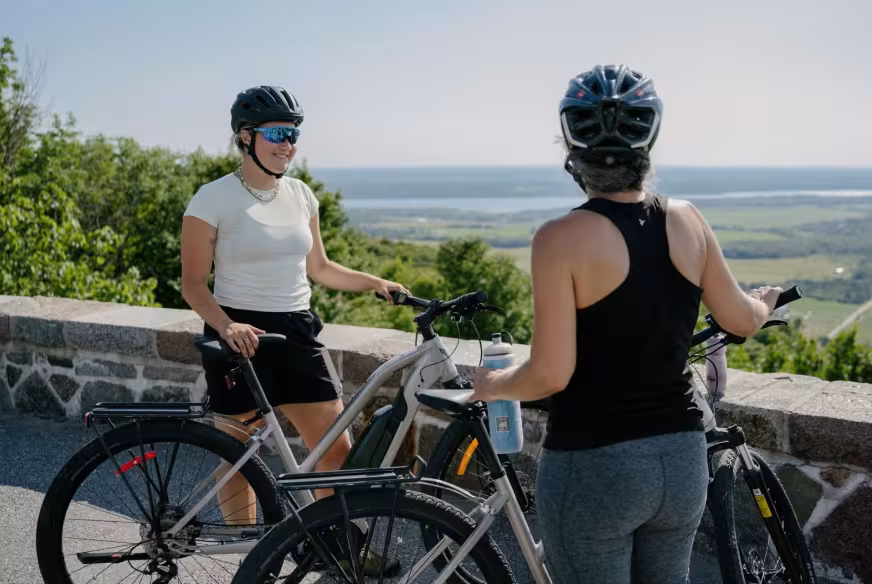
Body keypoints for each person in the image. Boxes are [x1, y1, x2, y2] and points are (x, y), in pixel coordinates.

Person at [470, 65, 782, 584]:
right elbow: (741, 320)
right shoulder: (687, 218)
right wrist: (763, 303)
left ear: (573, 148)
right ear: (648, 142)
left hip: (595, 465)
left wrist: (492, 384)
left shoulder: (560, 238)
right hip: (680, 462)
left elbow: (550, 374)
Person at [181, 85, 409, 528]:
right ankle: (249, 553)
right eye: (277, 133)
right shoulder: (211, 198)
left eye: (293, 135)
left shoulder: (302, 195)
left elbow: (320, 268)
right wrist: (227, 326)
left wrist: (374, 282)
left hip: (298, 331)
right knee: (238, 457)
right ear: (245, 136)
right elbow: (192, 285)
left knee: (335, 451)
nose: (288, 144)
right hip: (240, 336)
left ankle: (337, 546)